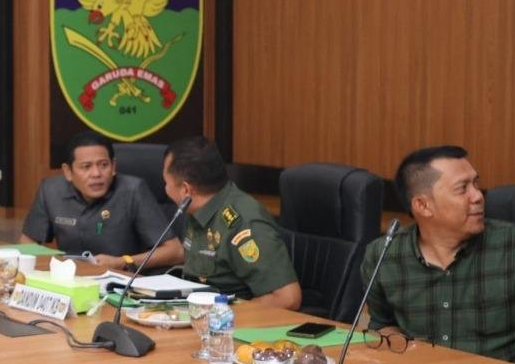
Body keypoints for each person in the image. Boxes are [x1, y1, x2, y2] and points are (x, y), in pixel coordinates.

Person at [363, 145, 515, 364]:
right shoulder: (384, 255)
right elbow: (382, 323)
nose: (477, 196)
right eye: (462, 188)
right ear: (423, 206)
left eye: (476, 183)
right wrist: (401, 350)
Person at [159, 136, 303, 309]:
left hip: (227, 325)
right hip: (193, 311)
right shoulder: (196, 209)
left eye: (166, 183)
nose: (165, 189)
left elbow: (288, 297)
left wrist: (222, 316)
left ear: (185, 190)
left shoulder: (243, 222)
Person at [20, 131, 175, 271]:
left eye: (103, 165)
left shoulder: (133, 190)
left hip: (119, 281)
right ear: (68, 172)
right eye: (86, 167)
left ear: (113, 166)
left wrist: (122, 261)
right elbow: (28, 241)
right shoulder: (50, 190)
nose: (96, 173)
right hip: (69, 278)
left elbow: (174, 250)